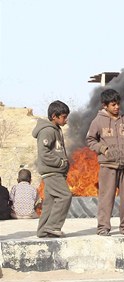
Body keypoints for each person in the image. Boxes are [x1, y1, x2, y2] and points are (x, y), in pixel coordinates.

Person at [86, 89, 124, 236]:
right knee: (106, 198)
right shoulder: (98, 121)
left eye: (118, 104)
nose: (117, 107)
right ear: (105, 105)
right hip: (107, 165)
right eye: (113, 105)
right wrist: (103, 149)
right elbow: (91, 140)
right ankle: (103, 227)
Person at [31, 100, 72, 238]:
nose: (66, 120)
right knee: (65, 196)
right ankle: (53, 226)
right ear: (54, 116)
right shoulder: (47, 131)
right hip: (52, 171)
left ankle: (43, 230)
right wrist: (61, 163)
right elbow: (44, 153)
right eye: (64, 117)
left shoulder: (56, 129)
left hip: (54, 171)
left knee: (50, 202)